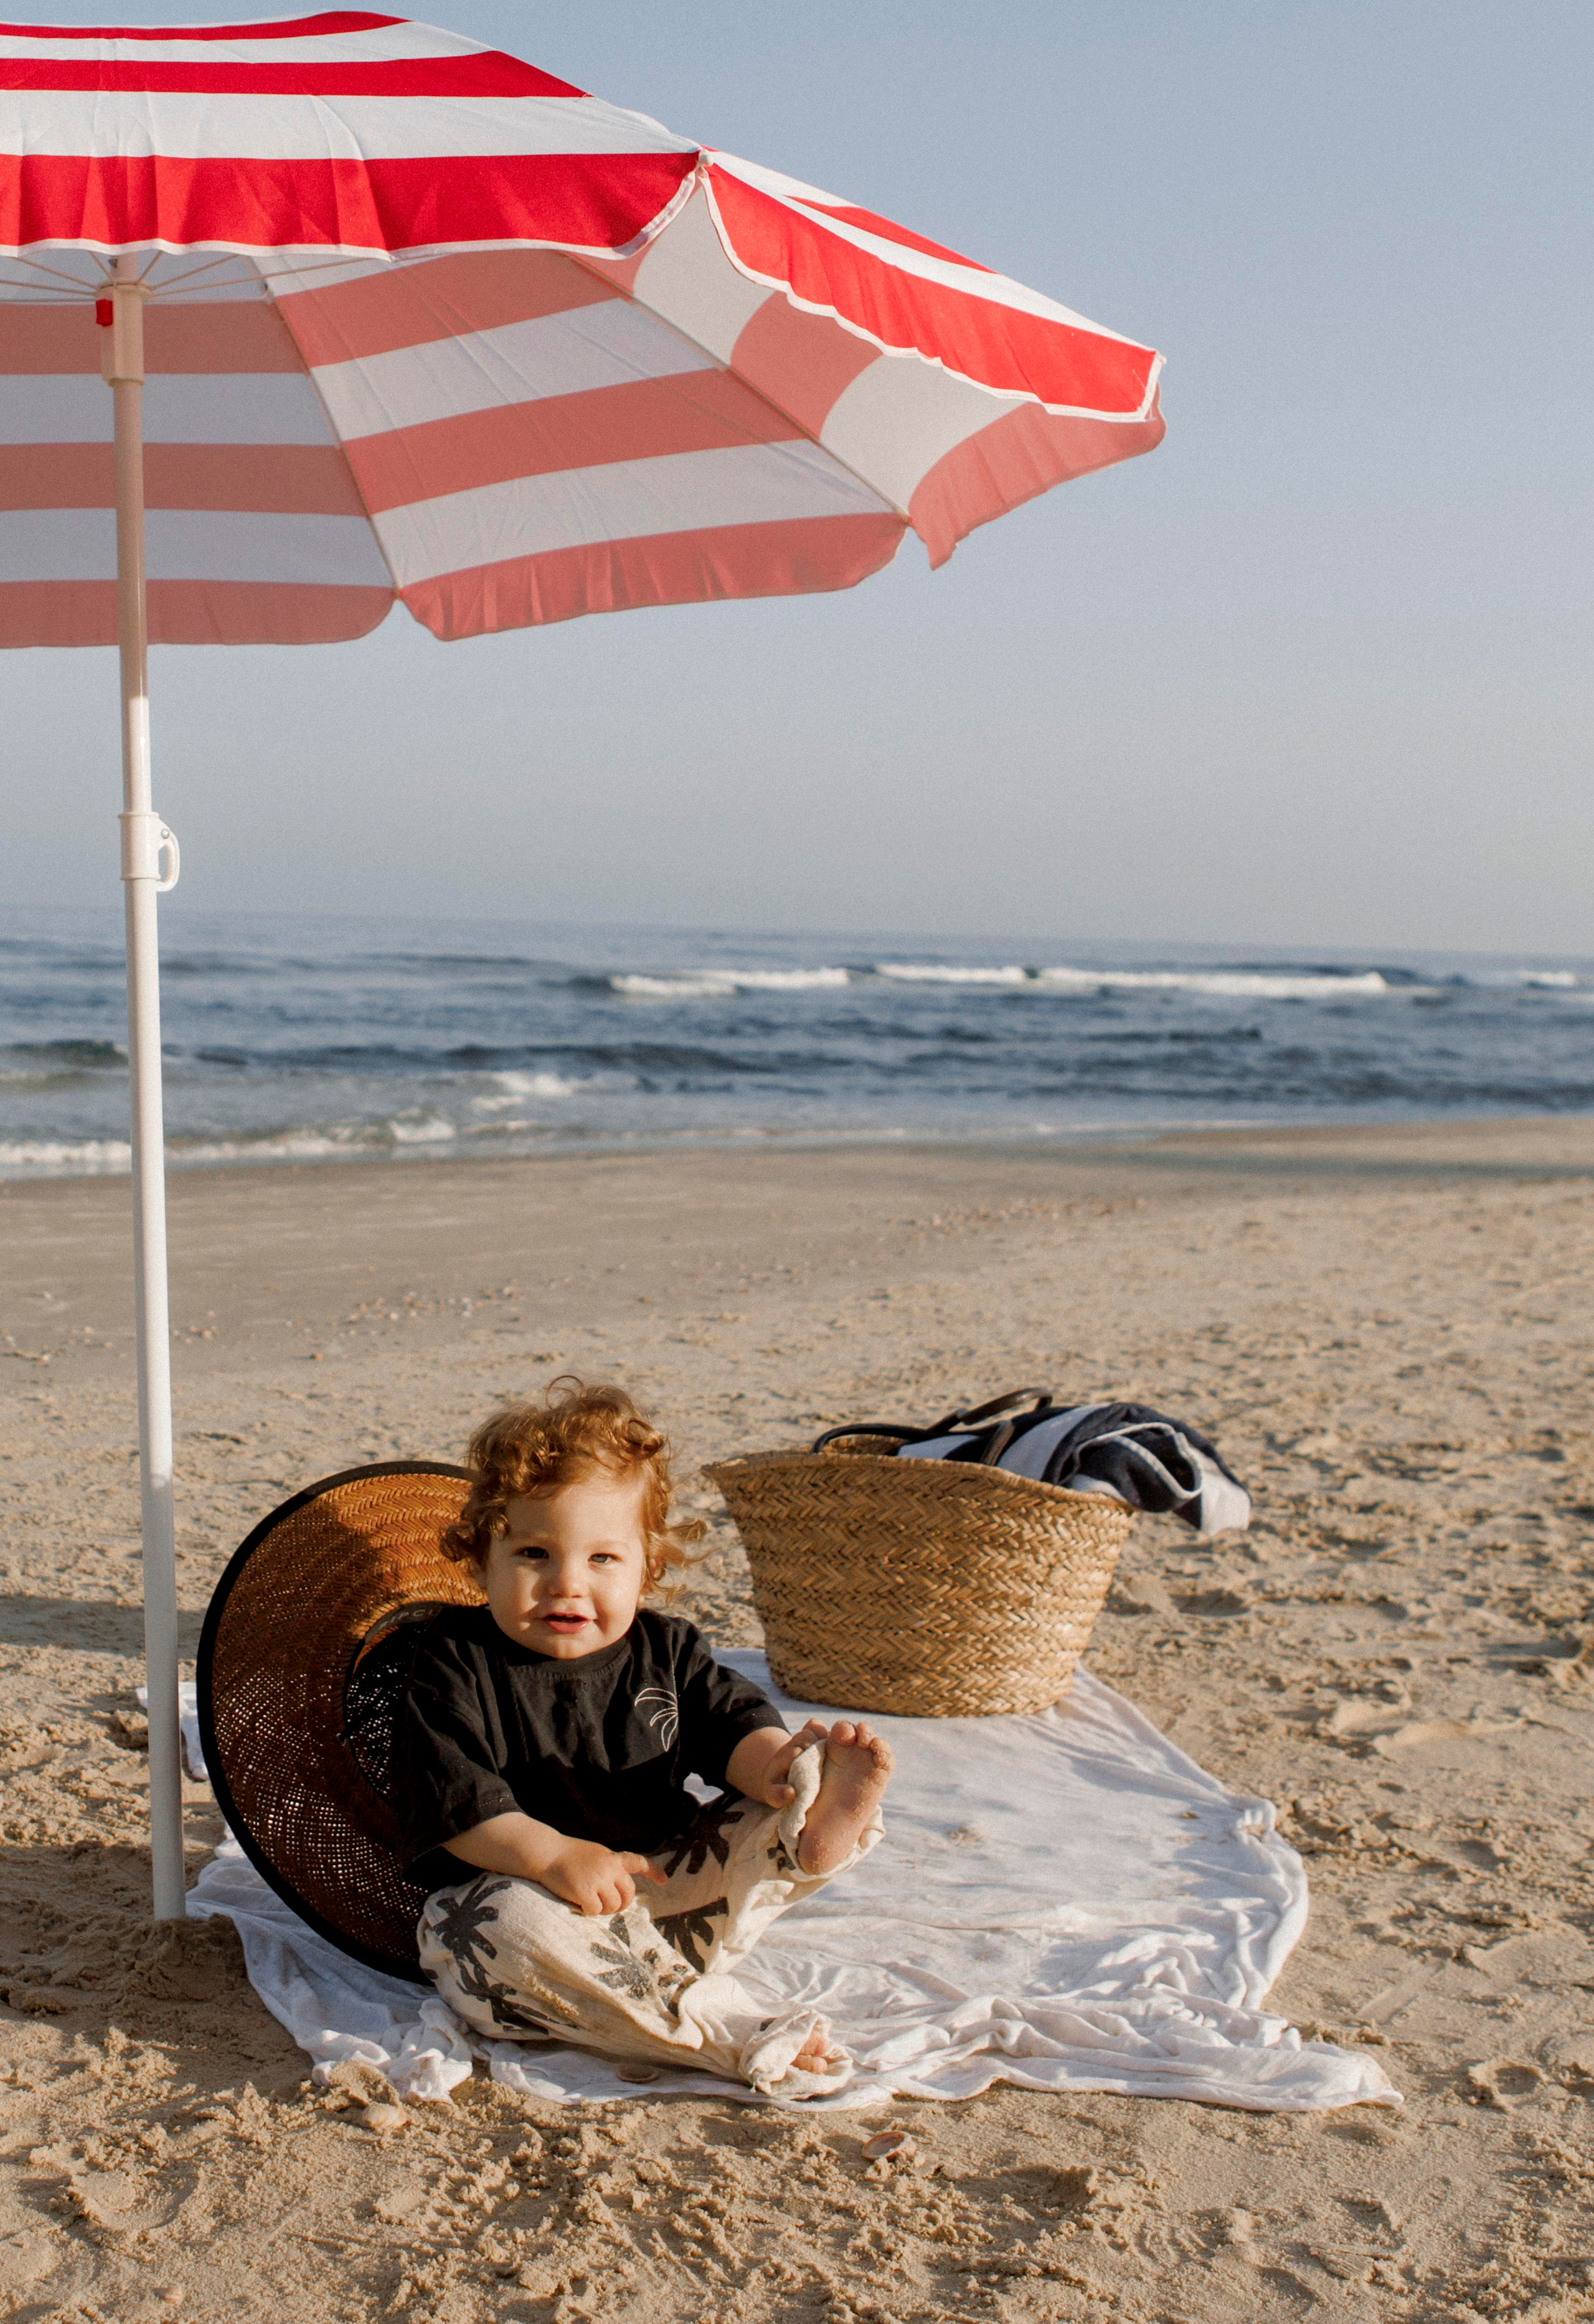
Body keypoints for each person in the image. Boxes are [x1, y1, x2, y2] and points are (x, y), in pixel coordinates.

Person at [395, 1378, 892, 2097]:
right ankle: (721, 2033)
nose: (567, 1583)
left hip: (669, 1898)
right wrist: (554, 1854)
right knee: (486, 1927)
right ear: (481, 1561)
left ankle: (811, 1829)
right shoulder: (454, 1661)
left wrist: (777, 1771)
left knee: (768, 1801)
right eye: (534, 1553)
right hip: (537, 1904)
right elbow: (455, 1798)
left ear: (647, 1567)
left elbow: (730, 1728)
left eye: (602, 1559)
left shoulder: (665, 1650)